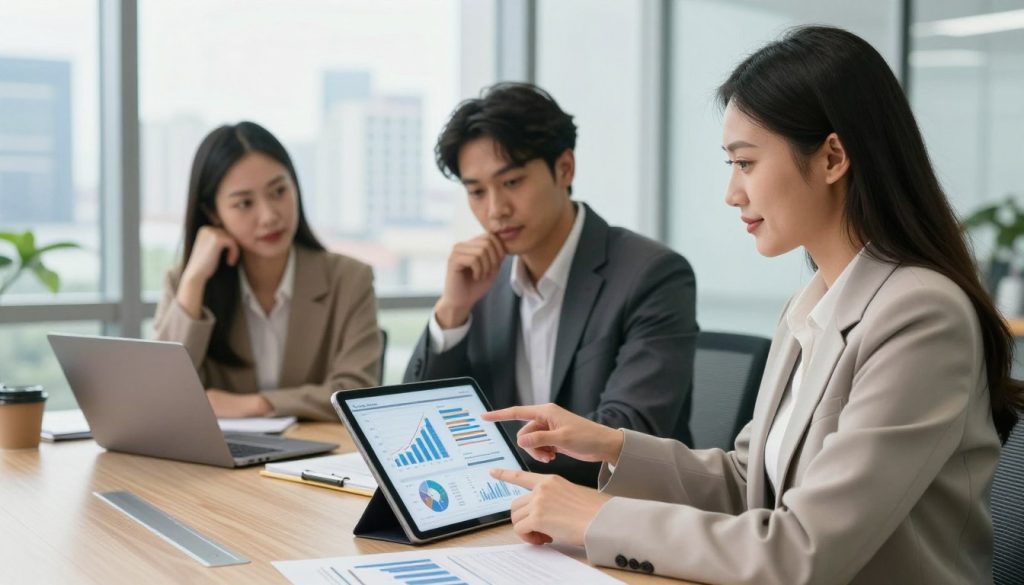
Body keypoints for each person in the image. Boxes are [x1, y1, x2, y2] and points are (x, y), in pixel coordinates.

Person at [482, 26, 1024, 584]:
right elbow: (748, 484)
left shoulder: (923, 317)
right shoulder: (810, 306)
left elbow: (800, 550)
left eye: (746, 163)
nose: (732, 193)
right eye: (731, 166)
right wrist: (612, 445)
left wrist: (598, 517)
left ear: (833, 156)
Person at [404, 82, 698, 486]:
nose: (495, 210)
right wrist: (452, 312)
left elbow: (625, 435)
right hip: (510, 511)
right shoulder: (483, 283)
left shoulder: (652, 274)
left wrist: (471, 446)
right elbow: (417, 419)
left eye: (512, 182)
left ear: (564, 168)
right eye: (476, 192)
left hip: (618, 513)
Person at [154, 121, 382, 421]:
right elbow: (163, 394)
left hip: (316, 458)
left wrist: (257, 404)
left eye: (278, 191)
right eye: (245, 203)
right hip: (218, 462)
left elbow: (357, 393)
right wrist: (194, 279)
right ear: (213, 212)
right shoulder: (187, 283)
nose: (269, 215)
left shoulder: (349, 279)